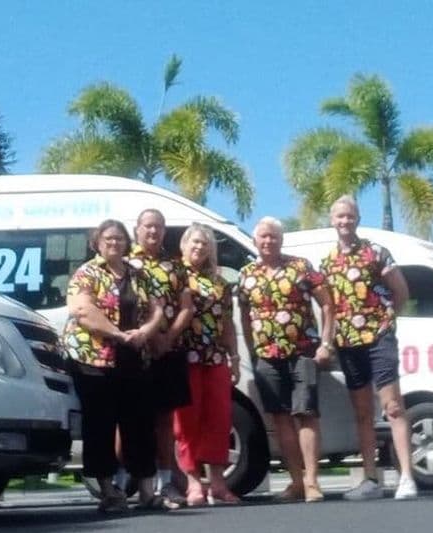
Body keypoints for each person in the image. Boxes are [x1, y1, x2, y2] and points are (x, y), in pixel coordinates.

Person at [62, 219, 165, 512]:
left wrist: (145, 331)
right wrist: (118, 334)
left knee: (141, 424)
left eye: (119, 238)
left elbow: (157, 309)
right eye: (108, 238)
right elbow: (82, 310)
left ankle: (147, 492)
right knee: (101, 425)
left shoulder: (138, 274)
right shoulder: (87, 273)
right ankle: (110, 492)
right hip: (95, 360)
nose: (114, 243)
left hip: (134, 358)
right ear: (97, 242)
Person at [320, 195, 418, 501]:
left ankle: (406, 477)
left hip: (379, 339)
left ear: (358, 219)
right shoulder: (327, 263)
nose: (344, 222)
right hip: (348, 343)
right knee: (362, 413)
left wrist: (386, 322)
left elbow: (400, 291)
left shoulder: (375, 252)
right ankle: (371, 479)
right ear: (332, 221)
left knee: (393, 407)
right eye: (339, 217)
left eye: (349, 216)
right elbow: (329, 307)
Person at [237, 216, 334, 503]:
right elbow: (244, 314)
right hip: (267, 356)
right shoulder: (246, 275)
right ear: (255, 241)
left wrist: (326, 343)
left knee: (306, 414)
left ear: (282, 240)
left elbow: (327, 304)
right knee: (280, 421)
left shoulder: (300, 267)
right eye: (263, 237)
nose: (268, 241)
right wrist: (253, 349)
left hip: (302, 351)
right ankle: (296, 482)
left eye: (274, 237)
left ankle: (313, 481)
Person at [128, 208, 193, 507]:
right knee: (130, 420)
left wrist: (168, 338)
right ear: (137, 229)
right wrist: (151, 337)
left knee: (166, 420)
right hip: (136, 351)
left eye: (159, 227)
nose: (154, 232)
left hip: (170, 350)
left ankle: (166, 483)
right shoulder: (127, 265)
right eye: (148, 227)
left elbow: (186, 308)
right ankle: (122, 482)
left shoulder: (176, 267)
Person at [172, 223, 241, 506]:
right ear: (184, 245)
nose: (199, 248)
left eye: (205, 244)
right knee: (187, 423)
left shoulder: (220, 281)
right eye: (195, 242)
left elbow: (227, 324)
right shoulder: (173, 275)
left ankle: (218, 484)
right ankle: (192, 483)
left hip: (214, 358)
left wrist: (234, 358)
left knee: (218, 420)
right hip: (184, 356)